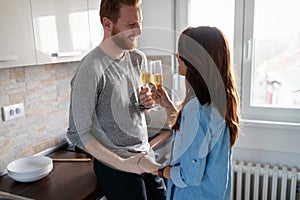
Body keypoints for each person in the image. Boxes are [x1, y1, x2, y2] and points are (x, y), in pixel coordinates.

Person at [66, 0, 166, 199]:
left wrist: (144, 104)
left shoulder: (137, 58)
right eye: (131, 25)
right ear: (108, 24)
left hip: (144, 154)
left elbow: (131, 108)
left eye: (140, 22)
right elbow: (77, 132)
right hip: (115, 164)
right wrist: (123, 164)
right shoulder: (91, 68)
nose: (139, 31)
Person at [139, 26, 240, 199]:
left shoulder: (197, 108)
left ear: (195, 60)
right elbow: (195, 136)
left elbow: (189, 176)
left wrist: (154, 168)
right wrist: (169, 107)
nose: (177, 58)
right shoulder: (220, 100)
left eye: (181, 54)